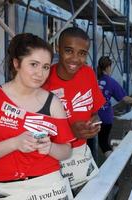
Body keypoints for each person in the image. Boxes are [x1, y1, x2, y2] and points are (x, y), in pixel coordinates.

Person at [0, 33, 75, 199]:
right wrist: (15, 143)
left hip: (49, 187)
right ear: (16, 63)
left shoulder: (53, 102)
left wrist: (50, 148)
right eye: (34, 64)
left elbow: (66, 151)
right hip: (6, 190)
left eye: (46, 67)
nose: (40, 73)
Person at [43, 27, 106, 190]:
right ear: (58, 48)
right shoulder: (44, 78)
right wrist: (69, 132)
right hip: (50, 158)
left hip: (81, 156)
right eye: (69, 51)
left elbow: (95, 111)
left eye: (82, 53)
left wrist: (95, 123)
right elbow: (32, 127)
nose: (75, 59)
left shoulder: (88, 73)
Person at [97, 56, 132, 157]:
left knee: (93, 142)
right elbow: (124, 98)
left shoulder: (94, 80)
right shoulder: (111, 82)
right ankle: (113, 162)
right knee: (103, 143)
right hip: (105, 117)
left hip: (93, 116)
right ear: (107, 67)